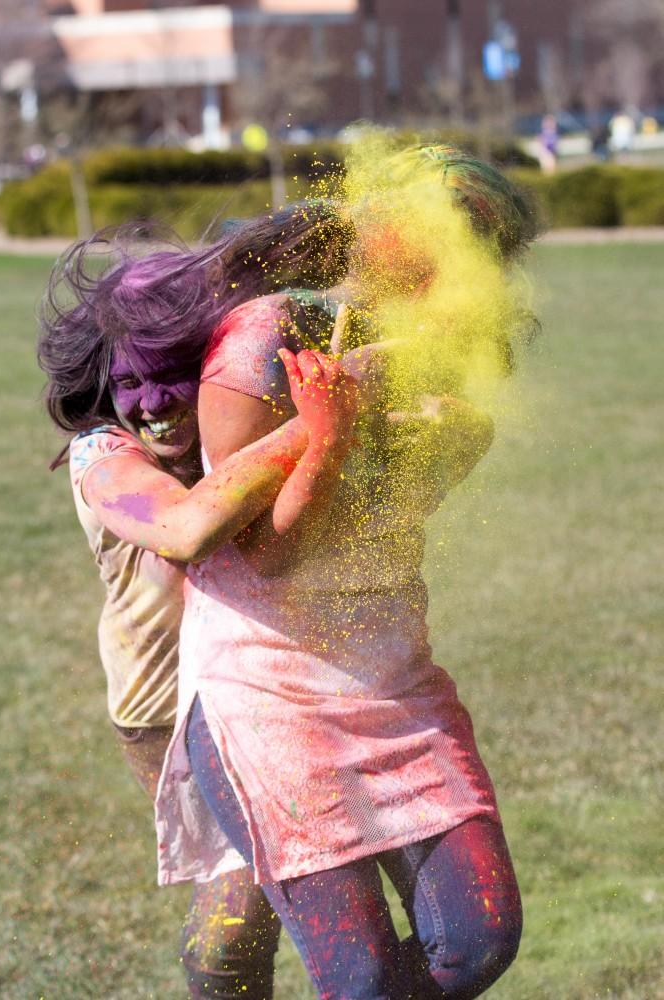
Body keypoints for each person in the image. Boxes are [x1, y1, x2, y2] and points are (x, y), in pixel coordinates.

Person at [154, 145, 538, 999]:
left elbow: (389, 512)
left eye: (482, 247)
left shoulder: (453, 378)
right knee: (359, 978)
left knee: (478, 940)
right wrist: (328, 429)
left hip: (394, 683)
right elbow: (267, 555)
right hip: (268, 691)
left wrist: (427, 426)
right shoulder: (265, 335)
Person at [37, 205, 360, 998]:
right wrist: (323, 427)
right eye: (127, 383)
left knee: (273, 912)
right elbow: (186, 527)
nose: (148, 404)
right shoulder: (101, 455)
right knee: (231, 934)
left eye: (168, 376)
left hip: (275, 694)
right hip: (168, 720)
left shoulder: (240, 419)